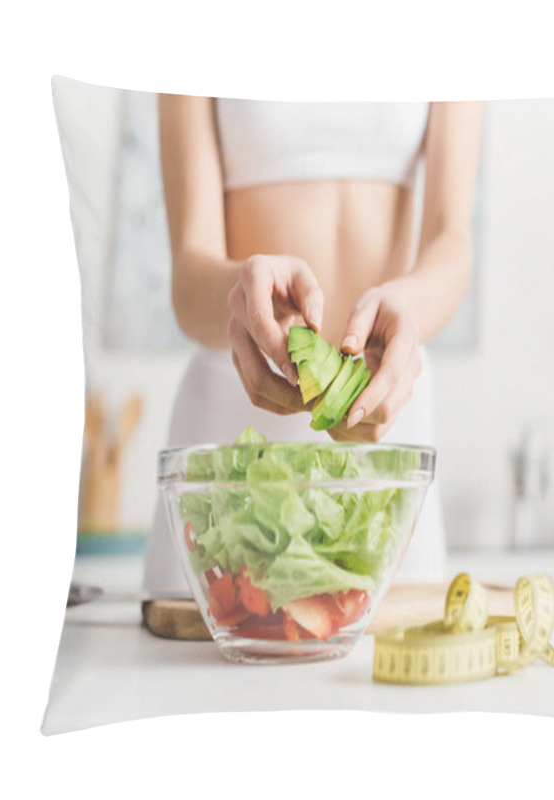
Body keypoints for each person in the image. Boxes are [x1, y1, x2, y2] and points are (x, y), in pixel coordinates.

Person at [142, 96, 483, 592]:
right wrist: (242, 293)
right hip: (234, 436)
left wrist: (406, 308)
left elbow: (451, 243)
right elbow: (189, 277)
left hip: (384, 423)